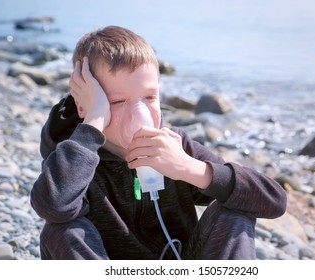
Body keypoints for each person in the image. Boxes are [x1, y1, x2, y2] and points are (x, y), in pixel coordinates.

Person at [30, 25, 287, 260]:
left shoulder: (174, 145)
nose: (140, 113)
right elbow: (53, 207)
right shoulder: (75, 157)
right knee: (64, 229)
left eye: (150, 97)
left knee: (234, 210)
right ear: (85, 104)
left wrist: (189, 168)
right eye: (118, 102)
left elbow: (274, 201)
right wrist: (94, 121)